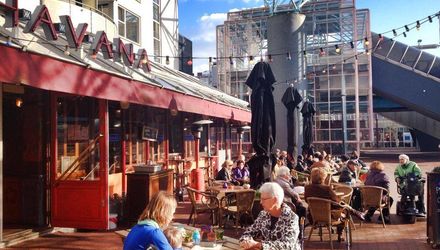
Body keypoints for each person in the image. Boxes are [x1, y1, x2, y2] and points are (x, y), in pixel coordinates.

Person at [304, 168, 365, 242]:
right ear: (323, 178)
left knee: (342, 206)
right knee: (345, 212)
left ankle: (354, 211)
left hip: (313, 216)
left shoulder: (307, 188)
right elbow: (337, 203)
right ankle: (340, 235)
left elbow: (307, 200)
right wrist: (342, 203)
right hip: (329, 216)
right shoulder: (327, 189)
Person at [239, 182, 300, 250]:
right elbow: (249, 232)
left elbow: (288, 245)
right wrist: (245, 241)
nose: (261, 202)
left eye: (264, 199)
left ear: (275, 200)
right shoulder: (263, 214)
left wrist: (259, 245)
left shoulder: (292, 218)